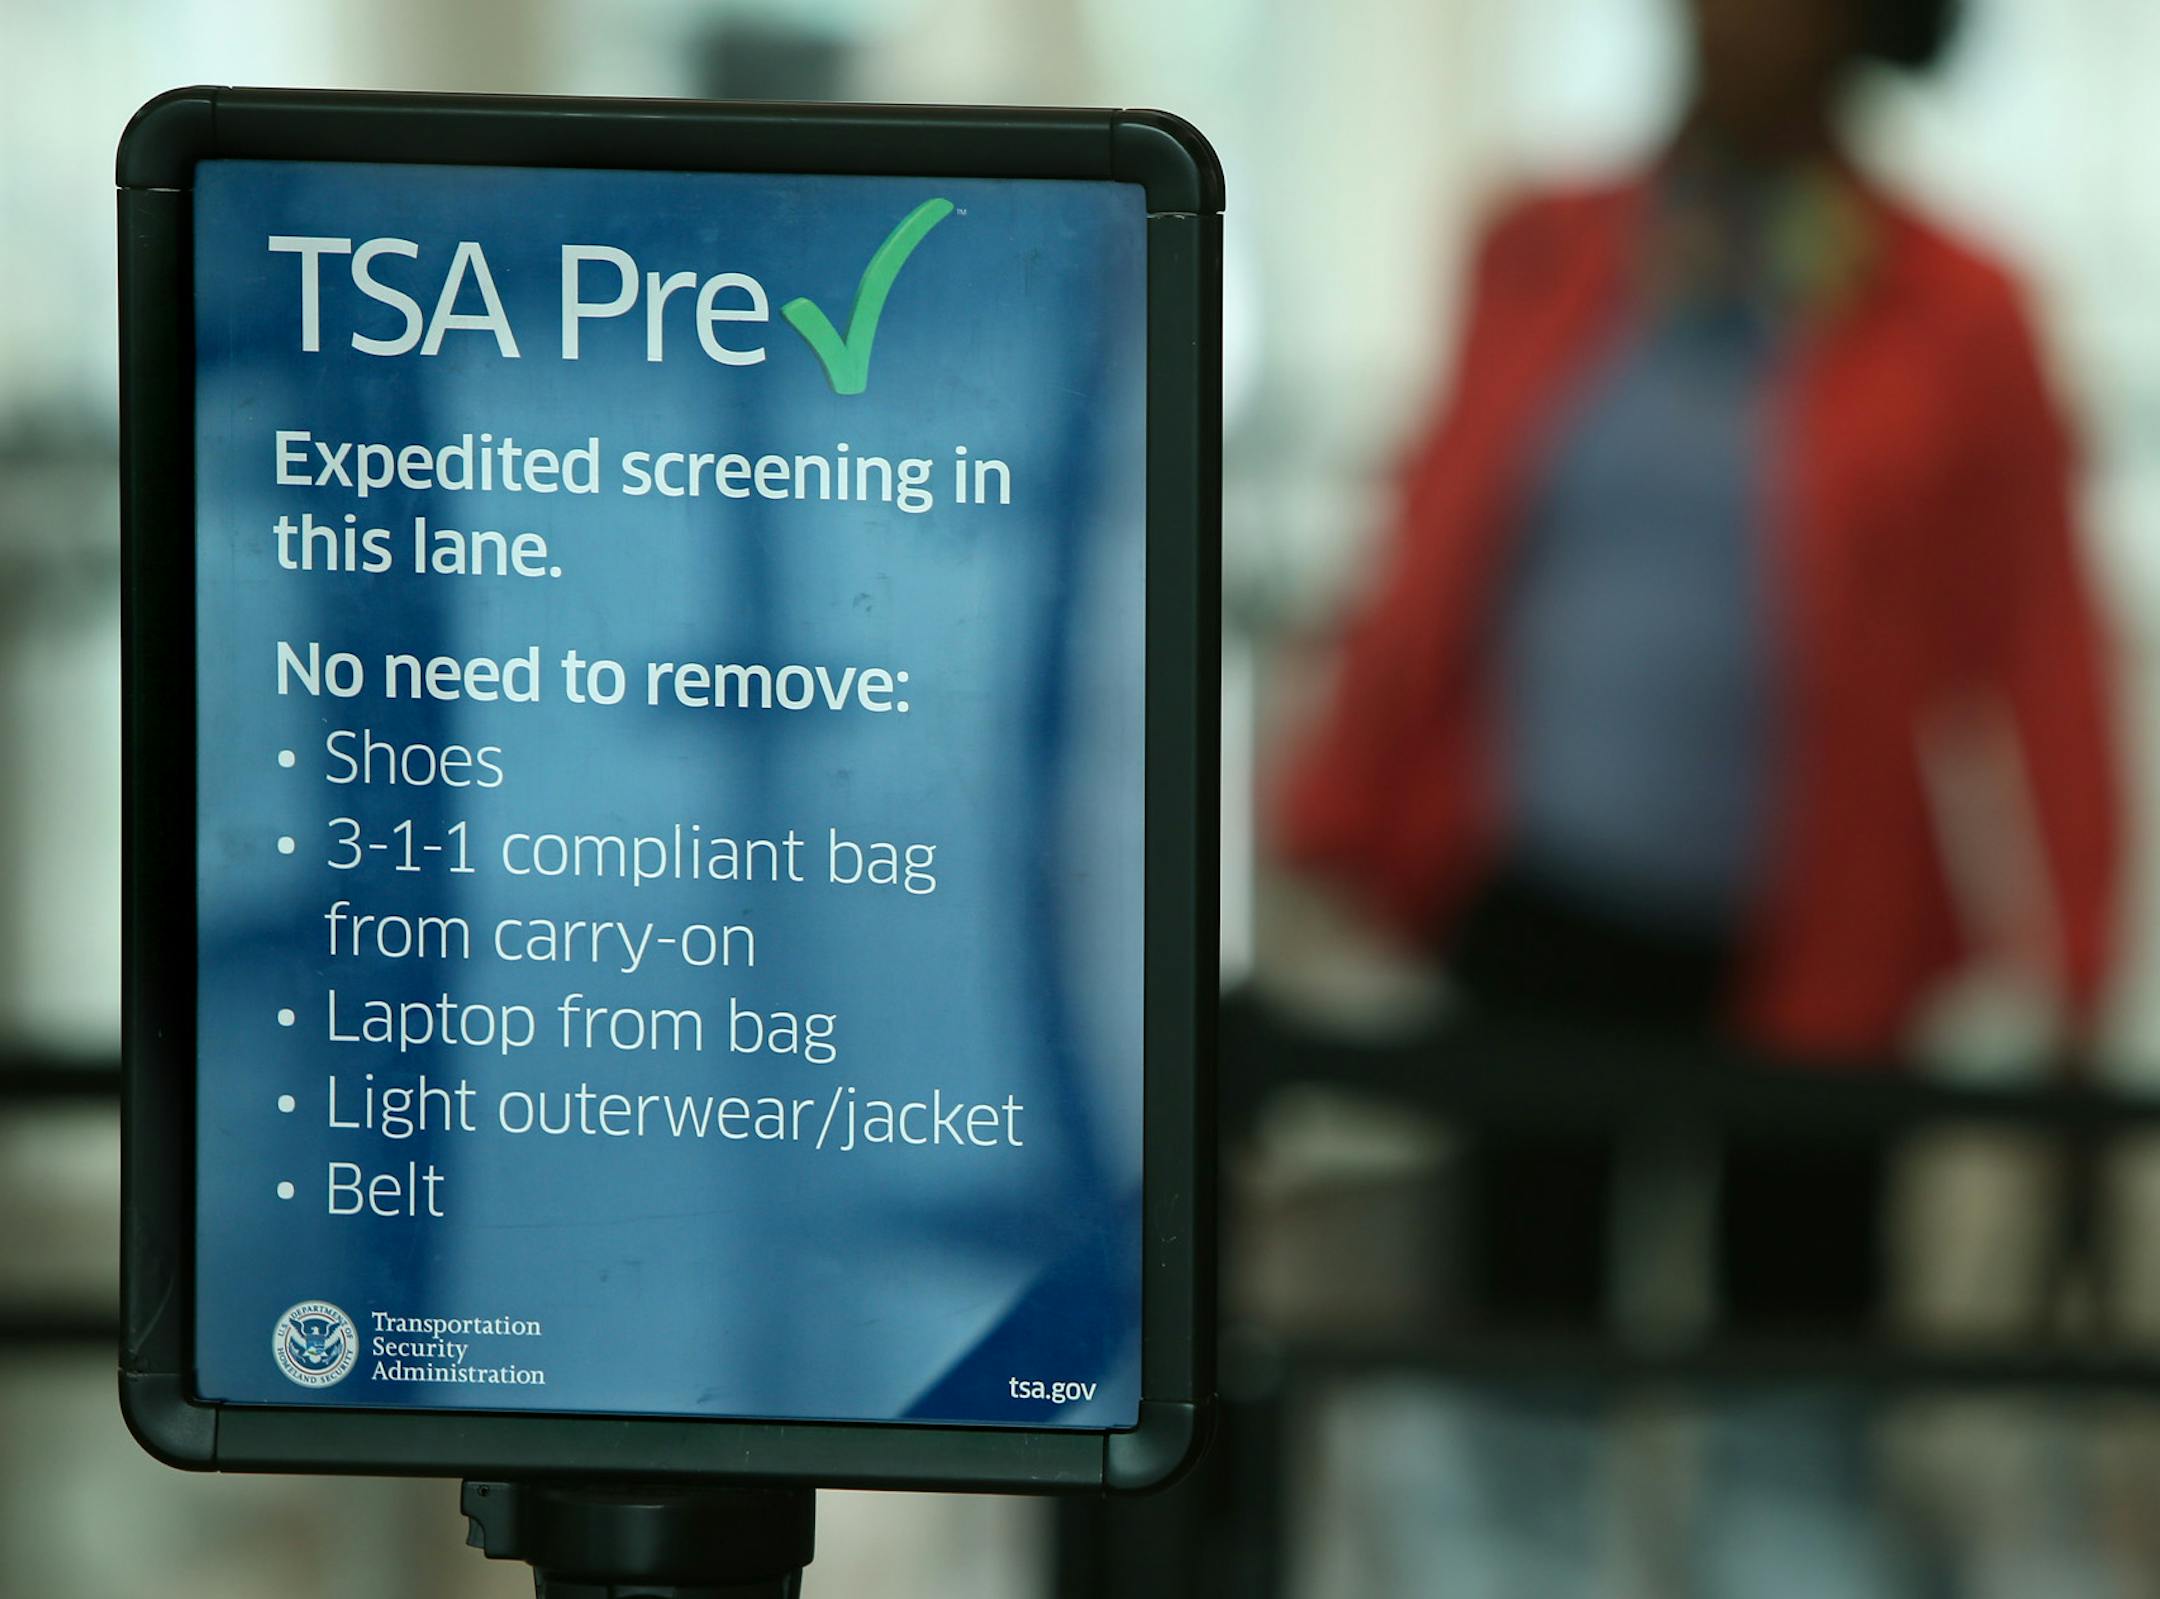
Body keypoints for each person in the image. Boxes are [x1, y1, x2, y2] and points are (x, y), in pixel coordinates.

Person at [1273, 0, 2123, 1589]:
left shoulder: (1963, 309)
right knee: (1513, 1367)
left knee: (1794, 1407)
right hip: (1542, 898)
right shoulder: (1545, 246)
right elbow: (1439, 535)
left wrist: (2080, 979)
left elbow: (2050, 661)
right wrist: (1329, 797)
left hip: (1823, 931)